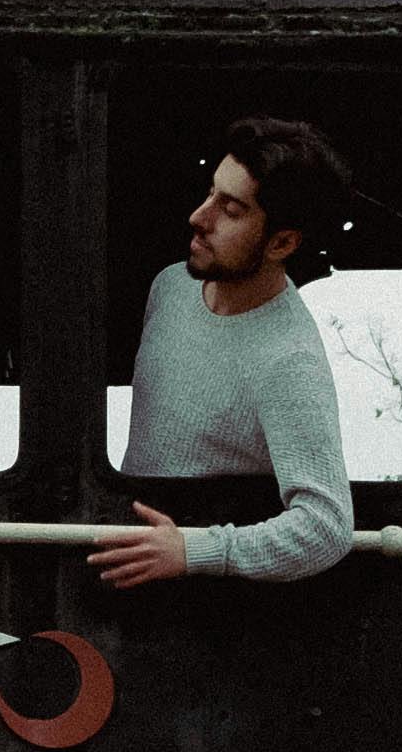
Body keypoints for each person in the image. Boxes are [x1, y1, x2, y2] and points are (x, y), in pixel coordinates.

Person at [81, 116, 356, 588]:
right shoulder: (170, 288)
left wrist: (197, 550)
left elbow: (327, 526)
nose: (199, 217)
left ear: (283, 242)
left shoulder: (289, 361)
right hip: (123, 564)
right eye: (210, 192)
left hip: (200, 605)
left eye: (230, 209)